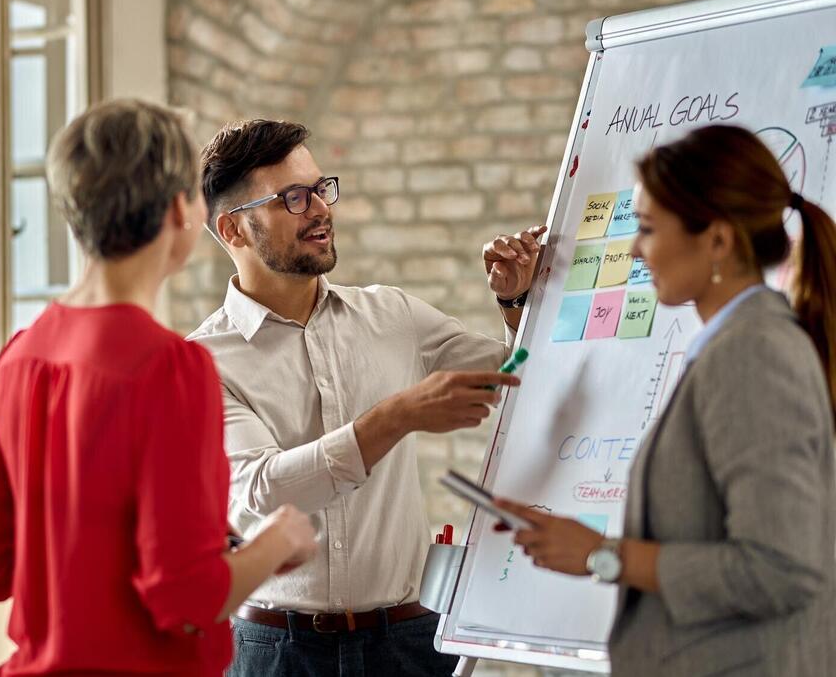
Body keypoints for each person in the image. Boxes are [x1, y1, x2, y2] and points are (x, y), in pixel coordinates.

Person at [0, 100, 317, 677]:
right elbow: (186, 599)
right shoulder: (171, 368)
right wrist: (277, 542)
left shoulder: (19, 356)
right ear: (181, 208)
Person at [186, 118, 544, 676]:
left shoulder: (393, 314)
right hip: (276, 653)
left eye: (320, 189)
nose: (320, 210)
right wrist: (397, 416)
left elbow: (519, 373)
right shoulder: (201, 364)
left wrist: (517, 302)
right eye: (293, 198)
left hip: (408, 641)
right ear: (232, 230)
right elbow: (265, 489)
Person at [497, 124, 836, 677]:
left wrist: (604, 555)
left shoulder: (754, 355)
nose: (635, 249)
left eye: (650, 229)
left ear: (719, 240)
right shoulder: (735, 346)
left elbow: (780, 570)